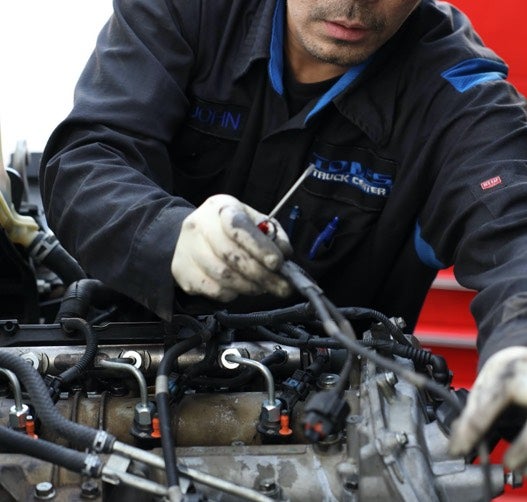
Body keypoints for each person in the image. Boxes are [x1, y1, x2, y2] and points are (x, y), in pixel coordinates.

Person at [39, 0, 527, 470]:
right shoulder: (184, 10)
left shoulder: (459, 94)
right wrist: (168, 236)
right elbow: (87, 161)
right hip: (127, 369)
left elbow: (513, 227)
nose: (354, 5)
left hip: (329, 422)